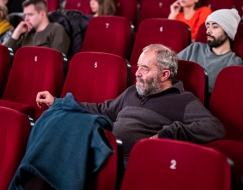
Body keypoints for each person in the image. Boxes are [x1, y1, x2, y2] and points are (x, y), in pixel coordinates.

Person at [36, 44, 225, 162]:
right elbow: (102, 110)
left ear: (164, 75)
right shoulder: (132, 91)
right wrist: (57, 102)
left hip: (133, 163)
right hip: (105, 153)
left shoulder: (183, 100)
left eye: (144, 69)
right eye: (137, 67)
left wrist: (169, 133)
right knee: (55, 122)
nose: (136, 73)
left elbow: (214, 127)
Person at [178, 9, 243, 92]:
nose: (208, 31)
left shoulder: (234, 62)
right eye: (207, 26)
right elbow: (171, 67)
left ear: (228, 32)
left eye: (215, 27)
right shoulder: (195, 48)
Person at [4, 0, 70, 54]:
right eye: (25, 15)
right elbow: (7, 55)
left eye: (30, 14)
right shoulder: (27, 32)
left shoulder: (57, 29)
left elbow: (57, 59)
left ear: (42, 14)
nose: (26, 19)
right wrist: (17, 33)